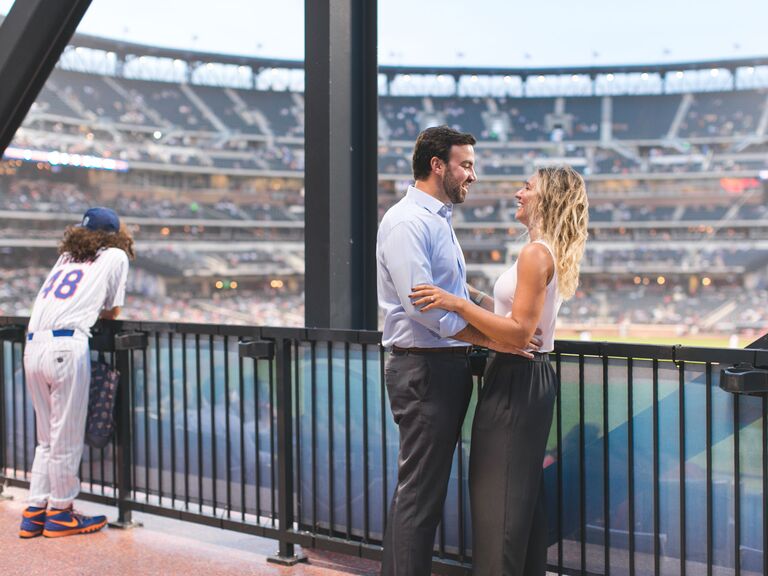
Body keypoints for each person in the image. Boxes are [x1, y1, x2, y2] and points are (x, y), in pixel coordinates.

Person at [410, 165, 589, 575]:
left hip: (516, 378)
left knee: (498, 509)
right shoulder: (542, 251)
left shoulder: (534, 254)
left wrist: (455, 304)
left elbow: (518, 332)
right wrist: (462, 292)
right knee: (515, 503)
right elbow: (507, 314)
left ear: (548, 199)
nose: (518, 194)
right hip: (523, 378)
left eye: (527, 188)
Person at [376, 126, 537, 575]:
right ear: (437, 165)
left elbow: (450, 289)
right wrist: (495, 338)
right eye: (466, 164)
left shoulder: (435, 219)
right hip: (424, 370)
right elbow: (424, 308)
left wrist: (489, 308)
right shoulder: (409, 221)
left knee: (421, 493)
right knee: (419, 498)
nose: (474, 175)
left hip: (439, 369)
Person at [19, 207, 134, 539]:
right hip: (66, 346)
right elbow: (113, 310)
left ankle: (34, 511)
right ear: (114, 233)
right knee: (66, 437)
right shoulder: (115, 255)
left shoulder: (66, 256)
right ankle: (61, 512)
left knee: (46, 439)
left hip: (33, 344)